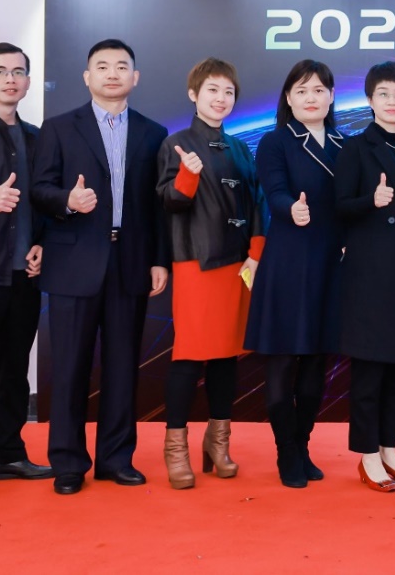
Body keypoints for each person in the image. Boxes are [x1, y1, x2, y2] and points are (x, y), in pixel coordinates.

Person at [31, 38, 170, 496]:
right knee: (70, 367)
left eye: (122, 66)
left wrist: (158, 259)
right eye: (103, 66)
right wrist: (67, 201)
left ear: (135, 77)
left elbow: (157, 206)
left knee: (122, 366)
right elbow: (40, 189)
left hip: (130, 262)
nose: (113, 73)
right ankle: (68, 462)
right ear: (87, 76)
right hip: (74, 262)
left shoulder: (153, 133)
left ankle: (116, 459)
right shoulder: (58, 128)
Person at [156, 58, 266, 490]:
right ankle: (175, 450)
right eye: (213, 90)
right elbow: (169, 202)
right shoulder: (176, 144)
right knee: (188, 356)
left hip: (238, 266)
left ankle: (218, 444)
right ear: (193, 94)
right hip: (196, 263)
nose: (221, 99)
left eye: (228, 92)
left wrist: (255, 254)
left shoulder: (240, 148)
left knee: (226, 356)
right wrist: (187, 175)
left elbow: (257, 203)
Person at [244, 60, 343, 489]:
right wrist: (291, 209)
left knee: (316, 361)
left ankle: (302, 445)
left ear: (332, 96)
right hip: (288, 262)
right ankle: (286, 450)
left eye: (319, 90)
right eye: (302, 90)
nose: (311, 98)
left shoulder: (344, 144)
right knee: (284, 361)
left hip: (330, 263)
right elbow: (275, 192)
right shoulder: (276, 141)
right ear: (288, 97)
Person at [335, 61, 395, 493]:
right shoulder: (355, 148)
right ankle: (367, 456)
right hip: (370, 277)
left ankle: (390, 449)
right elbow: (339, 207)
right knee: (370, 371)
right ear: (370, 100)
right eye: (384, 94)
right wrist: (370, 202)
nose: (393, 102)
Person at [0, 42, 53, 501]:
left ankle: (8, 454)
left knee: (15, 371)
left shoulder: (38, 138)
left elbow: (44, 202)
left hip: (24, 277)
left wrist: (41, 243)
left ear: (28, 80)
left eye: (18, 71)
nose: (10, 79)